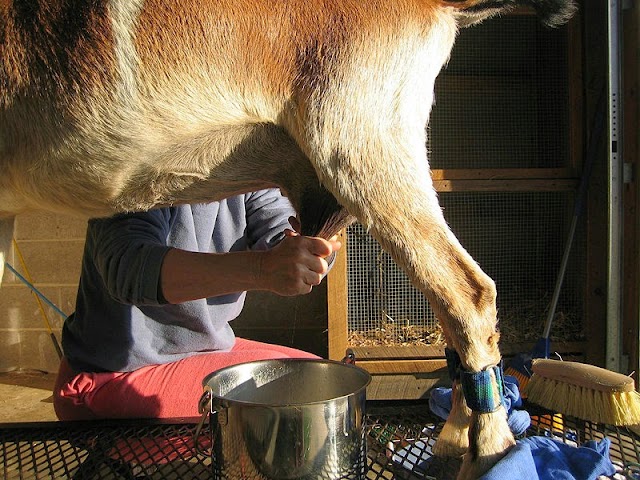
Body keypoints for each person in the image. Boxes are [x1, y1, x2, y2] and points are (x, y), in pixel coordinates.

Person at [53, 188, 341, 420]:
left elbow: (280, 226)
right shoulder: (144, 160)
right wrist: (262, 269)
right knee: (311, 403)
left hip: (199, 352)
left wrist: (311, 250)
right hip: (108, 377)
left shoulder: (245, 171)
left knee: (328, 381)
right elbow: (127, 267)